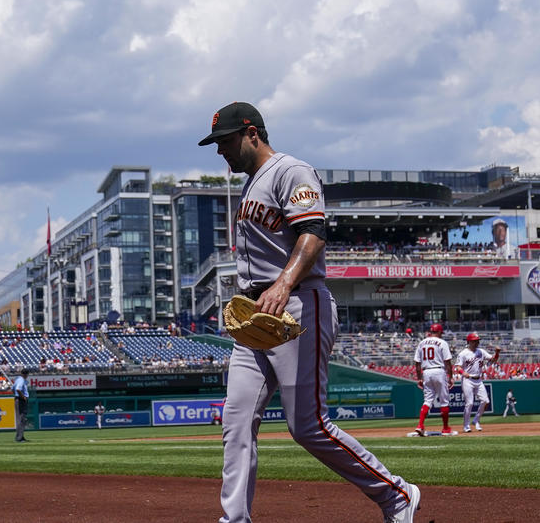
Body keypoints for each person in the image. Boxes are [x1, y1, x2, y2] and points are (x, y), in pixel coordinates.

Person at [199, 101, 420, 523]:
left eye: (225, 141)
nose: (220, 151)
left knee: (308, 426)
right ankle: (234, 520)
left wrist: (283, 283)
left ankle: (396, 495)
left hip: (298, 303)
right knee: (237, 418)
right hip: (255, 316)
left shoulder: (291, 171)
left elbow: (314, 233)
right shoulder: (249, 185)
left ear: (252, 134)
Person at [413, 323, 454, 436]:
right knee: (444, 401)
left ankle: (420, 425)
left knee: (427, 401)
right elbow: (448, 362)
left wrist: (419, 378)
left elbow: (417, 363)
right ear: (440, 332)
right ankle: (445, 428)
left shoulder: (422, 342)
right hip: (439, 371)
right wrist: (450, 377)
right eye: (441, 332)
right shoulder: (442, 342)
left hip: (426, 372)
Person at [456, 333, 500, 433]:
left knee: (485, 401)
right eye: (475, 340)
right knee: (470, 403)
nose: (477, 342)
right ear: (469, 342)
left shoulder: (481, 351)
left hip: (478, 380)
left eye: (477, 340)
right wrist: (463, 373)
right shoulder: (463, 353)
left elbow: (493, 360)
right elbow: (457, 367)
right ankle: (466, 425)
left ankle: (476, 420)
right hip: (468, 380)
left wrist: (497, 353)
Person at [13, 370, 30, 442]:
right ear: (26, 374)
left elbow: (13, 389)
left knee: (22, 419)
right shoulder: (21, 380)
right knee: (20, 419)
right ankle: (19, 438)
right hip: (20, 400)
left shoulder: (17, 379)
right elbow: (18, 389)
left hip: (18, 399)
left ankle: (21, 436)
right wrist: (23, 397)